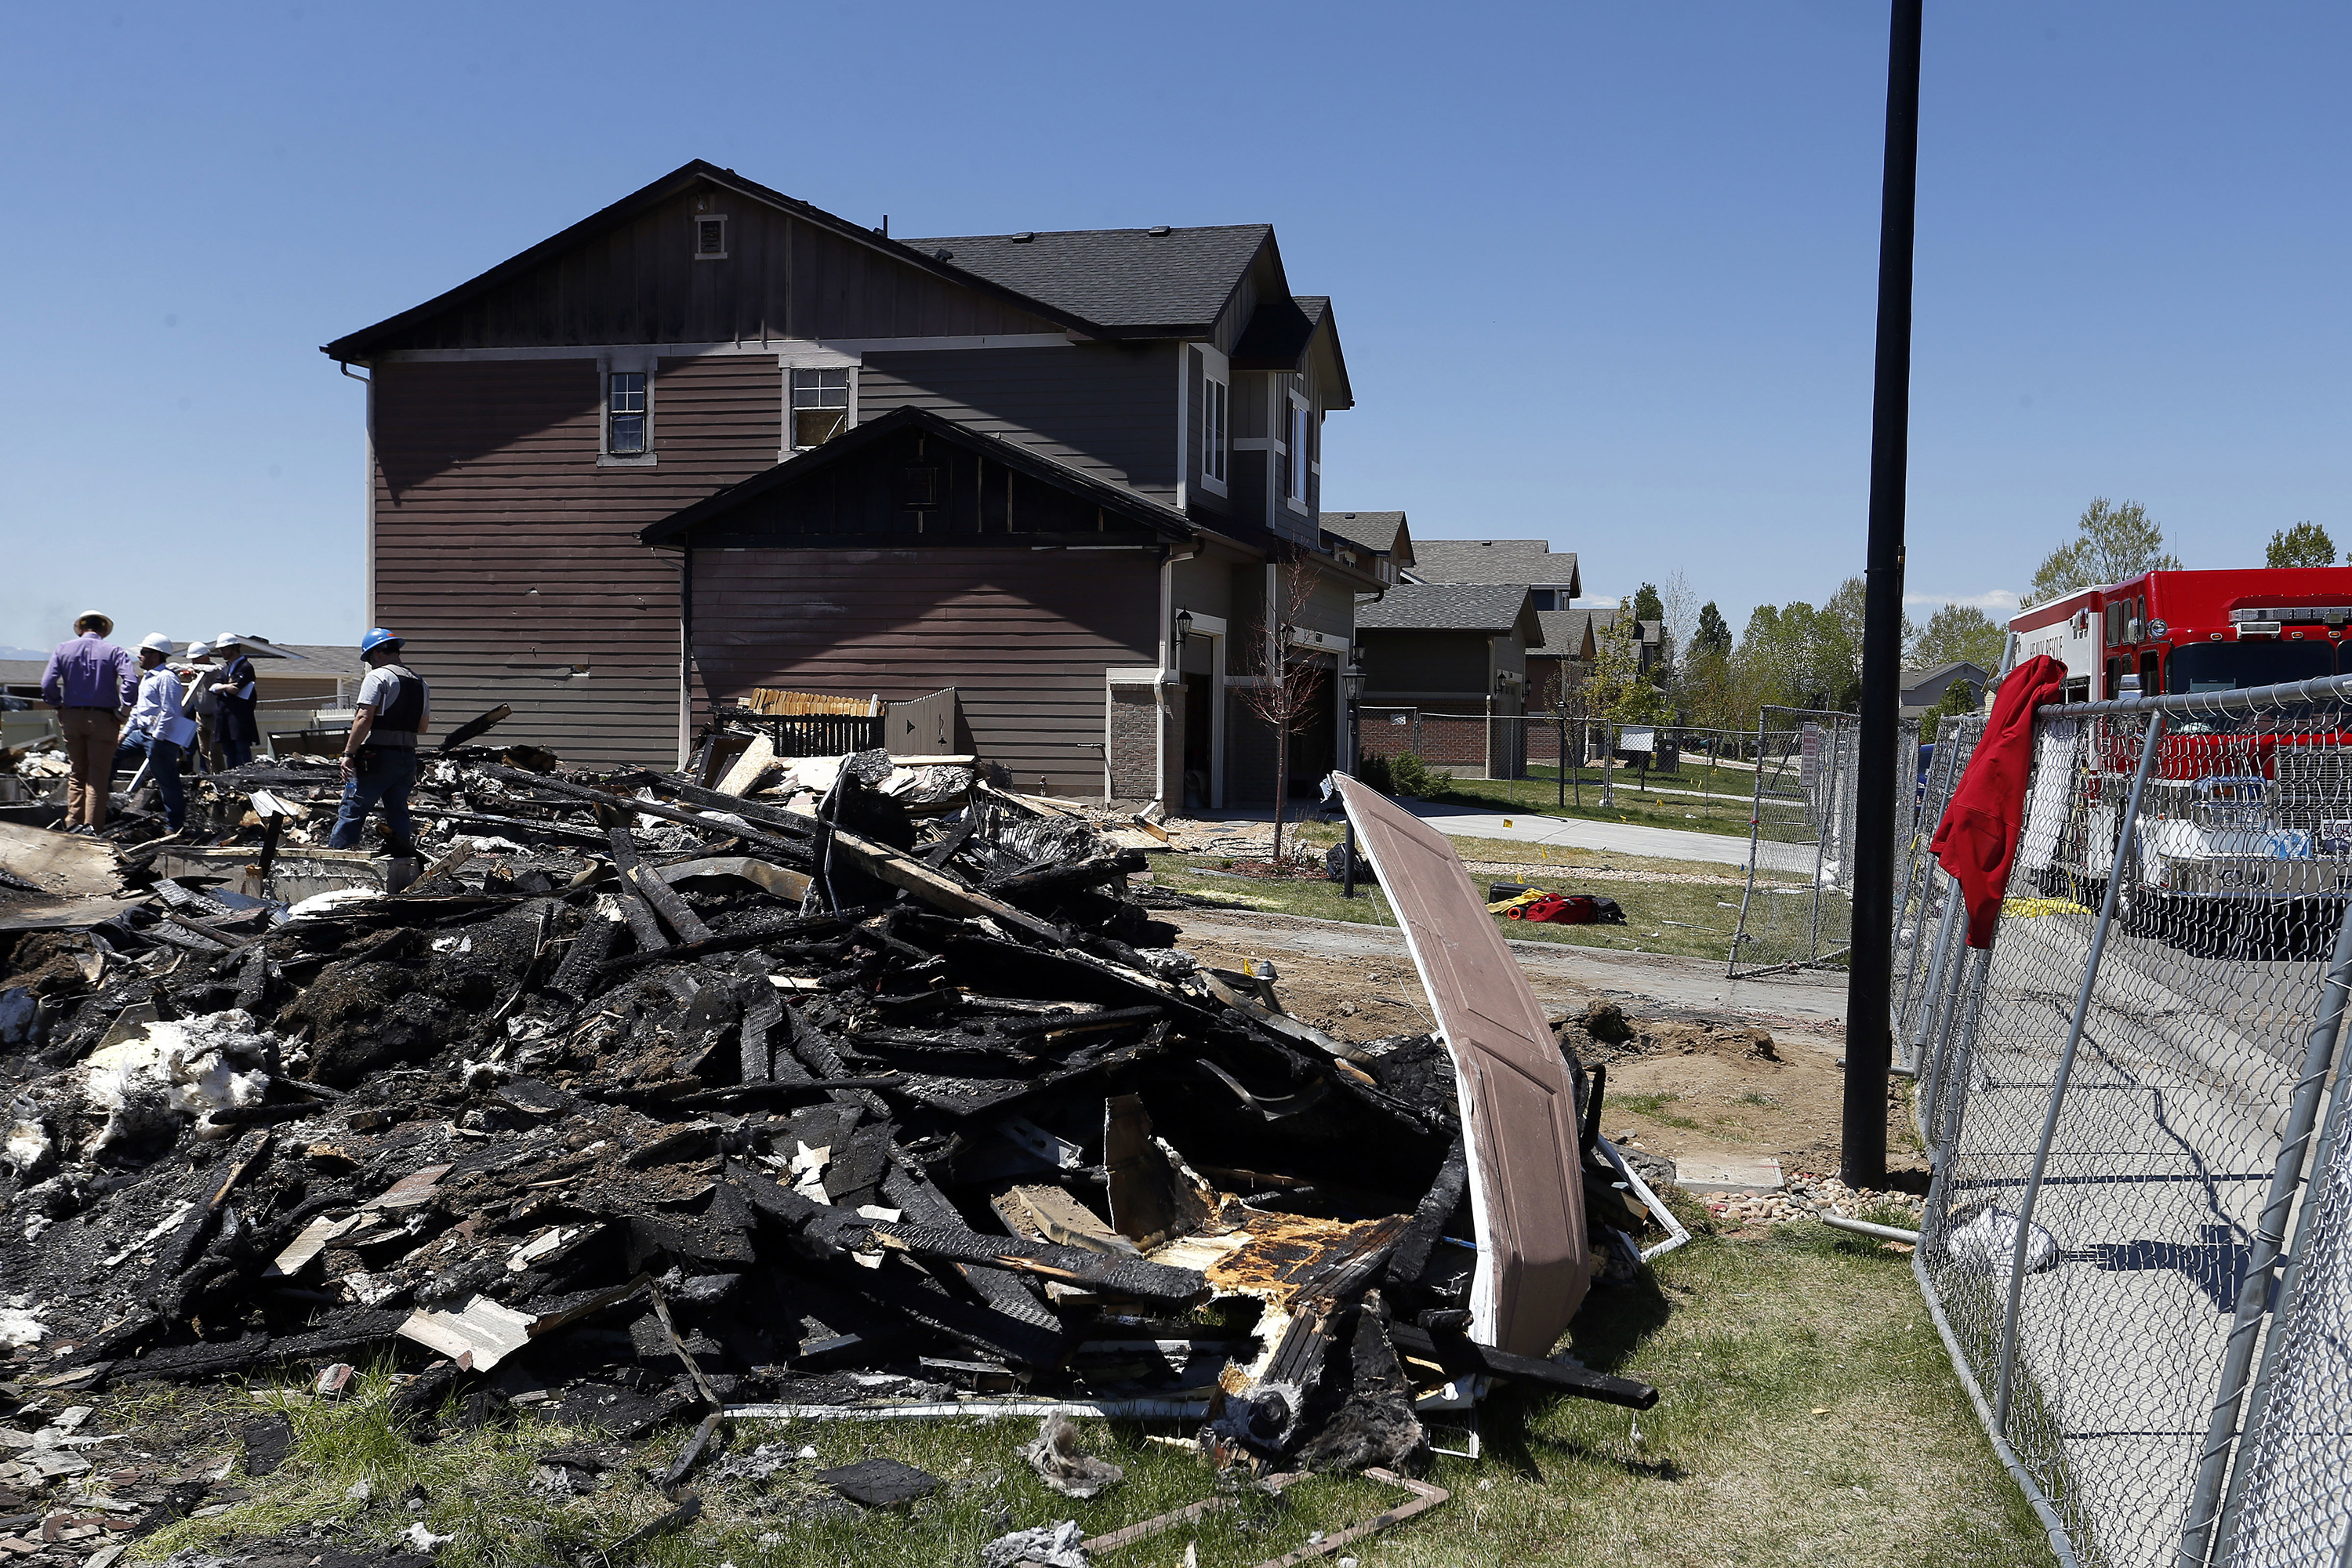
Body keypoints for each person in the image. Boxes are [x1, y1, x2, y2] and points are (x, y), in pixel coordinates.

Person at [330, 628, 430, 855]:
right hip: (407, 758)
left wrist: (348, 754)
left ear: (375, 654)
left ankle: (339, 860)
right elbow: (422, 727)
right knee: (398, 811)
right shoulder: (420, 683)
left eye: (369, 659)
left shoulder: (378, 677)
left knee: (353, 810)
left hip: (378, 758)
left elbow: (363, 717)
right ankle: (403, 861)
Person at [40, 612, 139, 832]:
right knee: (97, 776)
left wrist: (58, 705)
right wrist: (125, 710)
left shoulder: (63, 649)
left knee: (77, 774)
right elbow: (131, 682)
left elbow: (47, 683)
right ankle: (92, 830)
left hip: (72, 716)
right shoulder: (114, 651)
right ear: (103, 630)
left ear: (80, 629)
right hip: (104, 718)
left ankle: (73, 825)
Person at [113, 633, 198, 832]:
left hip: (159, 737)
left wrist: (158, 738)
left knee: (166, 780)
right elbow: (138, 710)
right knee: (110, 752)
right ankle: (108, 802)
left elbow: (170, 711)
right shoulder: (148, 678)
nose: (140, 656)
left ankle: (174, 825)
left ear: (156, 655)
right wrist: (124, 734)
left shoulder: (167, 678)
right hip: (141, 733)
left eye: (144, 652)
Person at [211, 633, 260, 769]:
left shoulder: (245, 667)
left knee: (241, 748)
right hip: (224, 716)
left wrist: (222, 687)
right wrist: (225, 686)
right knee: (228, 750)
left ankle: (246, 775)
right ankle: (231, 776)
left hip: (239, 716)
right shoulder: (226, 669)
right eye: (221, 649)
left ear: (234, 648)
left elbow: (236, 689)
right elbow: (214, 687)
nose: (222, 652)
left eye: (225, 649)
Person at [180, 642, 219, 771]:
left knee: (214, 752)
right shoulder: (194, 670)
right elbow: (172, 667)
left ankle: (217, 776)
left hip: (214, 717)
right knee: (203, 750)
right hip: (200, 716)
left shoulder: (216, 670)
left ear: (206, 656)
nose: (194, 661)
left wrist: (198, 669)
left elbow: (215, 669)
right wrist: (189, 670)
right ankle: (205, 775)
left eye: (196, 658)